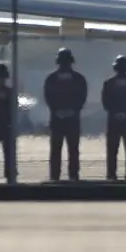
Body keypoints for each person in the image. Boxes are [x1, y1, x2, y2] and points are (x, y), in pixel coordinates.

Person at [43, 47, 88, 182]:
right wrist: (62, 110)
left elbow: (82, 97)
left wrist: (68, 110)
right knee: (63, 149)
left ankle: (63, 174)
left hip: (66, 117)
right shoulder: (78, 79)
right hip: (65, 117)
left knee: (68, 149)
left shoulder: (52, 79)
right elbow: (48, 97)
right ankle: (64, 174)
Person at [101, 55, 126, 181]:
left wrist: (115, 113)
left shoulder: (108, 84)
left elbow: (106, 102)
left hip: (114, 121)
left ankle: (111, 174)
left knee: (112, 150)